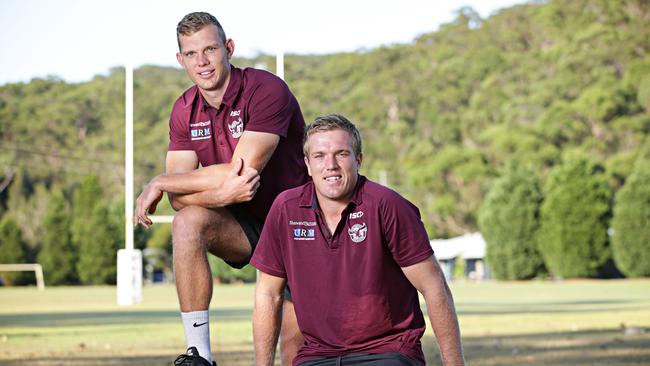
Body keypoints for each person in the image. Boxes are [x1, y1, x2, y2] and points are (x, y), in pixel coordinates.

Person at [134, 12, 308, 366]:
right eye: (191, 53)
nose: (202, 61)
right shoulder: (183, 109)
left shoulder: (265, 89)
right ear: (180, 60)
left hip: (295, 223)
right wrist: (222, 195)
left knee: (295, 350)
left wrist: (160, 181)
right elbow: (181, 200)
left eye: (210, 49)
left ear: (228, 48)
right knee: (187, 223)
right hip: (241, 224)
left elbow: (239, 171)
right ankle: (200, 355)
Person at [251, 114, 465, 365]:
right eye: (319, 156)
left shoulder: (387, 205)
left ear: (358, 160)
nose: (330, 165)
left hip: (386, 351)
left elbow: (434, 286)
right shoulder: (286, 209)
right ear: (307, 164)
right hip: (318, 354)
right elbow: (268, 293)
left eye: (341, 154)